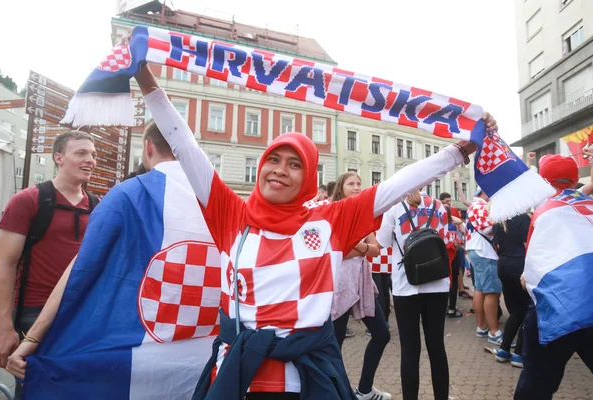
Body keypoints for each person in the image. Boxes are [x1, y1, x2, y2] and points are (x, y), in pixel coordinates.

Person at [135, 63, 495, 399]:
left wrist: (462, 149)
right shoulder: (231, 212)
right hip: (238, 375)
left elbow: (398, 184)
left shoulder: (330, 220)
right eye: (273, 160)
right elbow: (183, 142)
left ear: (308, 178)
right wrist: (143, 76)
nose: (279, 170)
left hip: (306, 379)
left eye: (294, 165)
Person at [5, 121, 219, 399]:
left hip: (128, 351)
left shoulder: (127, 194)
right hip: (199, 359)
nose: (90, 160)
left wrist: (32, 338)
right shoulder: (218, 199)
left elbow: (82, 269)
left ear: (148, 148)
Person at [0, 131, 97, 400]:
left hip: (81, 314)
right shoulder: (27, 200)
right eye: (81, 153)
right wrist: (3, 328)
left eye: (93, 154)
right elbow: (4, 265)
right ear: (59, 158)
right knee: (35, 391)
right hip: (33, 313)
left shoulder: (98, 206)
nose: (91, 160)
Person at [514, 154, 593, 399]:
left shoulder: (544, 212)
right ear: (576, 178)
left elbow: (528, 277)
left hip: (557, 312)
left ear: (543, 181)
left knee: (535, 385)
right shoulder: (587, 206)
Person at [376, 190, 453, 400]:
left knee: (410, 350)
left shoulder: (394, 207)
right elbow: (443, 239)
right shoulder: (438, 206)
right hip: (437, 283)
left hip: (405, 285)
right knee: (437, 347)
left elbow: (381, 242)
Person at [330, 172, 391, 400]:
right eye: (351, 183)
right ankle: (339, 393)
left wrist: (355, 246)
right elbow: (336, 249)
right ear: (341, 187)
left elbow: (375, 249)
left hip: (361, 280)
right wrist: (361, 246)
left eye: (359, 183)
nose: (356, 187)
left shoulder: (364, 214)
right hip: (339, 283)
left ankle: (364, 389)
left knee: (381, 334)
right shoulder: (334, 211)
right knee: (335, 344)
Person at [489, 213, 530, 368]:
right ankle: (519, 354)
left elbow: (497, 245)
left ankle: (504, 349)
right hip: (519, 265)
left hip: (504, 265)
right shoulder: (523, 219)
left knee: (515, 311)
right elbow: (528, 245)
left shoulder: (499, 220)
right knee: (526, 311)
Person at [465, 187, 503, 344]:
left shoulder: (475, 206)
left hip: (478, 250)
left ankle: (482, 327)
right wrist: (500, 225)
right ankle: (494, 332)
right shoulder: (480, 206)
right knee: (491, 292)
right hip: (484, 251)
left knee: (480, 289)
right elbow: (487, 229)